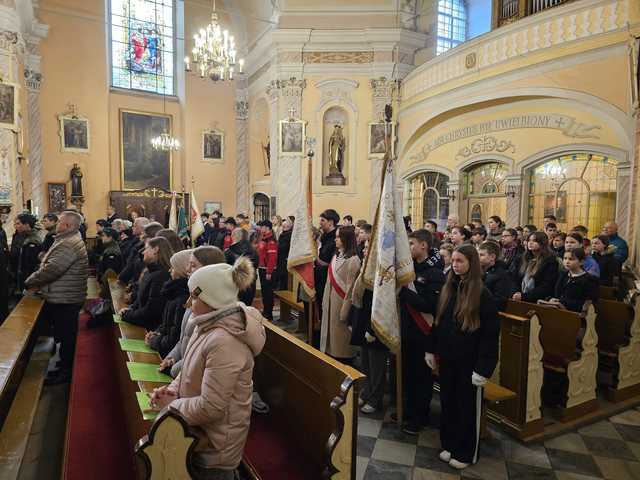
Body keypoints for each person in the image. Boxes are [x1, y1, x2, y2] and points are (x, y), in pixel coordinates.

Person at [150, 258, 266, 480]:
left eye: (194, 296)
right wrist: (172, 390)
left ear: (212, 299)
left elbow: (212, 407)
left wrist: (172, 406)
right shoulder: (207, 323)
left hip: (215, 448)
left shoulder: (226, 341)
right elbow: (189, 369)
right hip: (197, 431)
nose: (188, 302)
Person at [425, 245, 500, 470]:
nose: (455, 265)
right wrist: (431, 349)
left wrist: (483, 369)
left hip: (470, 362)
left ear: (471, 263)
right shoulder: (450, 288)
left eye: (460, 261)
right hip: (448, 358)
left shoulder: (482, 294)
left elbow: (490, 335)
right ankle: (450, 443)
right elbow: (438, 323)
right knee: (448, 403)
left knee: (467, 407)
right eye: (454, 261)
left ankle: (467, 451)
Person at [25, 211, 88, 384]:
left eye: (59, 221)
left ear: (67, 225)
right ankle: (62, 366)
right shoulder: (67, 239)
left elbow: (53, 269)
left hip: (66, 298)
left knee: (67, 336)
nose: (57, 223)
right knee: (63, 335)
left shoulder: (68, 243)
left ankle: (65, 373)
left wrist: (30, 281)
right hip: (64, 295)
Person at [398, 229, 445, 434]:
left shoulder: (433, 273)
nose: (409, 248)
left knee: (421, 379)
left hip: (423, 334)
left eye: (411, 244)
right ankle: (407, 410)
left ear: (423, 245)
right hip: (407, 330)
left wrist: (405, 292)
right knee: (407, 374)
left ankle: (420, 417)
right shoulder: (411, 270)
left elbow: (429, 306)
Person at [160, 246, 226, 378]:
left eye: (193, 265)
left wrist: (174, 369)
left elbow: (199, 355)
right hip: (183, 374)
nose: (187, 270)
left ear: (209, 268)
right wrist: (170, 359)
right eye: (188, 264)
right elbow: (183, 338)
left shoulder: (211, 304)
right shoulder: (194, 295)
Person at [349, 241, 388, 415]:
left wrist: (372, 329)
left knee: (376, 363)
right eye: (364, 248)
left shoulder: (382, 271)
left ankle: (375, 398)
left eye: (367, 248)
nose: (364, 251)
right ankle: (366, 391)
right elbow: (357, 295)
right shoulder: (366, 267)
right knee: (365, 361)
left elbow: (381, 302)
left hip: (376, 323)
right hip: (363, 319)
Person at [320, 225, 360, 362]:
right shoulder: (336, 256)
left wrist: (345, 311)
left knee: (341, 344)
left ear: (346, 239)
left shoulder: (353, 260)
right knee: (330, 343)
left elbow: (351, 290)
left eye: (338, 237)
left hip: (341, 305)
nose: (335, 240)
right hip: (331, 302)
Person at [146, 249, 192, 358]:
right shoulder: (173, 291)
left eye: (173, 267)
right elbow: (166, 324)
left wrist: (154, 340)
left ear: (181, 269)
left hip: (166, 354)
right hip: (162, 346)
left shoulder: (183, 298)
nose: (170, 270)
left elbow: (174, 338)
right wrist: (156, 333)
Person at [120, 237, 172, 330]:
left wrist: (128, 315)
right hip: (142, 320)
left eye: (146, 248)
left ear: (156, 250)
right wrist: (131, 309)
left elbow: (151, 310)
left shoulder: (161, 276)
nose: (143, 252)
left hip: (150, 328)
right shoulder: (151, 271)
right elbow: (141, 298)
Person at [544, 248, 598, 312]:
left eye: (571, 259)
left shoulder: (589, 280)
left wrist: (562, 302)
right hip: (557, 310)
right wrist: (551, 299)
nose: (567, 262)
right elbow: (557, 293)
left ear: (581, 262)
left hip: (575, 314)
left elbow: (587, 304)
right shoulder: (563, 275)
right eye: (565, 258)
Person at [512, 232, 559, 303]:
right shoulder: (521, 258)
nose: (530, 243)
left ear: (542, 243)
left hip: (538, 300)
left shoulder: (550, 261)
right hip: (518, 296)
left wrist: (524, 296)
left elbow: (546, 286)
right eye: (529, 241)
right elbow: (514, 278)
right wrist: (517, 293)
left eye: (534, 241)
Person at [225, 228, 259, 306]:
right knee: (246, 307)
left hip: (234, 286)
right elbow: (256, 265)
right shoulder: (253, 250)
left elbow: (225, 269)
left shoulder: (229, 252)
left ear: (234, 236)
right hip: (250, 284)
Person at [315, 209, 339, 318]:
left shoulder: (335, 239)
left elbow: (330, 262)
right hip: (319, 276)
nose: (320, 223)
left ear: (331, 222)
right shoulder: (323, 236)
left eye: (323, 221)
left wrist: (315, 254)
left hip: (327, 278)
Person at [478, 241, 515, 310]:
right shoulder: (479, 271)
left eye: (481, 255)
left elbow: (499, 301)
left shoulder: (501, 275)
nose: (478, 258)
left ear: (492, 257)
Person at [14, 213, 42, 291]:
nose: (16, 226)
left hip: (30, 279)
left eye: (18, 224)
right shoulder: (25, 236)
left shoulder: (32, 241)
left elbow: (31, 265)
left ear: (27, 225)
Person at [257, 220, 278, 320]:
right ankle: (265, 310)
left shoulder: (271, 241)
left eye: (262, 227)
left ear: (267, 228)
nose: (260, 229)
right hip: (262, 268)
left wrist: (269, 272)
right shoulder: (263, 239)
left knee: (268, 293)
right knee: (264, 292)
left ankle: (269, 314)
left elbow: (272, 258)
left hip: (268, 270)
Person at [276, 216, 293, 290]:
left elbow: (288, 247)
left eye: (285, 226)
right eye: (283, 226)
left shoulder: (290, 235)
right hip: (280, 258)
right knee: (281, 277)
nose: (283, 227)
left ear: (289, 227)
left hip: (286, 259)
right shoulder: (281, 235)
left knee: (285, 279)